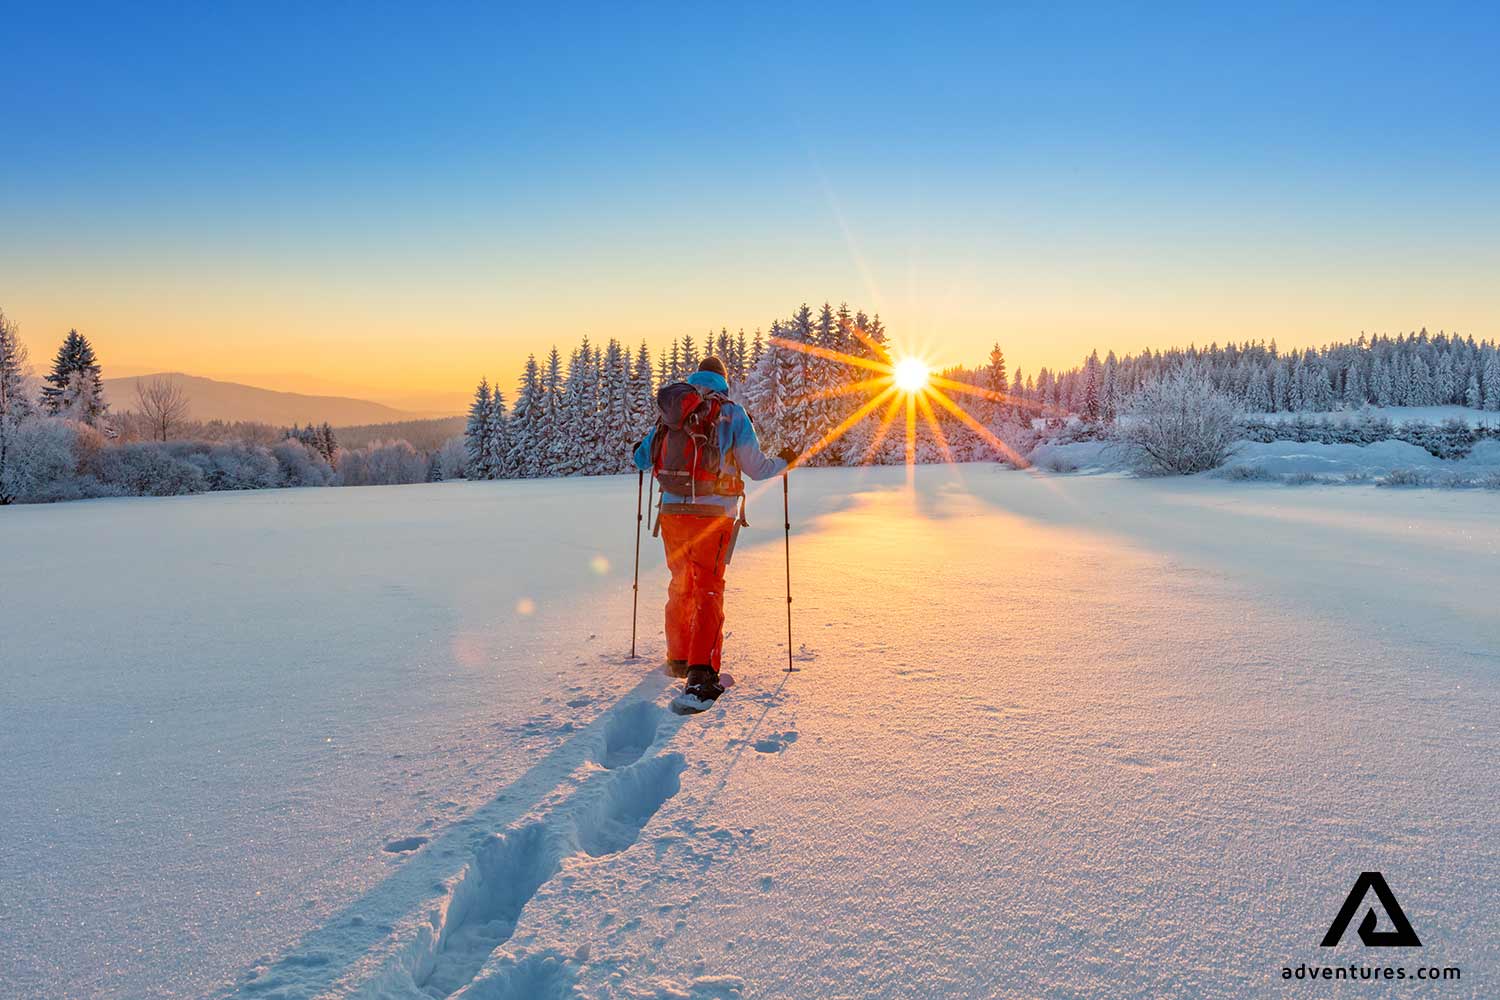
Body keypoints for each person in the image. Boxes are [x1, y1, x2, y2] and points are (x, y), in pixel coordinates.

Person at [633, 357, 796, 705]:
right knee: (708, 586)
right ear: (723, 381)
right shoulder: (731, 413)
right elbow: (757, 468)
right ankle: (701, 674)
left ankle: (679, 658)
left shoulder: (672, 410)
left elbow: (642, 459)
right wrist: (786, 461)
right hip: (713, 514)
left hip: (672, 513)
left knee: (680, 582)